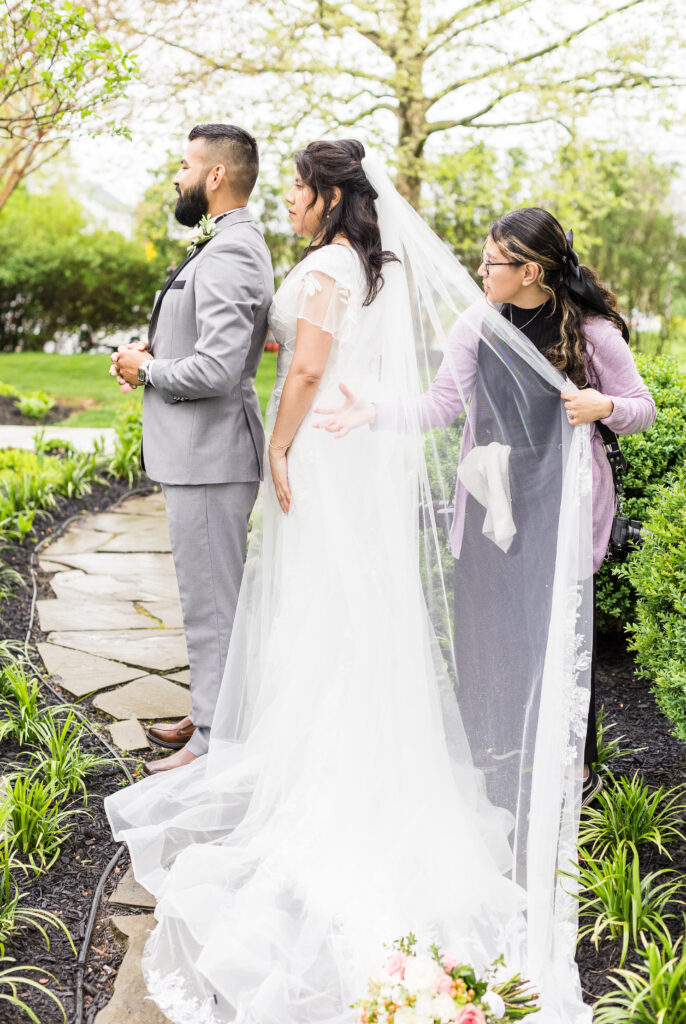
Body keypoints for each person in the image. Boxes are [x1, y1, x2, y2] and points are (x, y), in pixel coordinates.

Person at [107, 145, 598, 1024]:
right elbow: (311, 349)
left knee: (325, 610)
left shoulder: (333, 265)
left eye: (299, 189)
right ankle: (336, 754)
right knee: (346, 610)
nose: (290, 201)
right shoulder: (367, 264)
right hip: (351, 443)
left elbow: (306, 369)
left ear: (330, 195)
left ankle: (329, 779)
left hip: (324, 445)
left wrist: (280, 444)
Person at [317, 207, 656, 807]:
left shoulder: (593, 333)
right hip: (491, 507)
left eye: (491, 261)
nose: (479, 270)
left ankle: (575, 770)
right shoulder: (478, 323)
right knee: (490, 637)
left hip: (560, 510)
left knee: (556, 638)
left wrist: (604, 407)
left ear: (529, 271)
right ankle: (501, 758)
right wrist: (375, 412)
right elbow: (441, 405)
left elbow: (642, 409)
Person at [111, 123, 273, 775]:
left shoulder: (233, 250)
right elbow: (204, 342)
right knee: (206, 596)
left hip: (211, 454)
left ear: (215, 175)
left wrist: (148, 371)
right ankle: (211, 708)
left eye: (185, 165)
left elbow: (219, 369)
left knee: (211, 603)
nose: (177, 177)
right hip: (201, 453)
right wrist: (150, 353)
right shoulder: (223, 242)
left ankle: (215, 740)